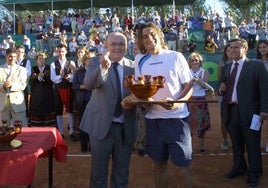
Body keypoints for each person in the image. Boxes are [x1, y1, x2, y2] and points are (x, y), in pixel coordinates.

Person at [133, 22, 193, 187]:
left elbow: (188, 87)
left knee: (181, 168)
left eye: (152, 34)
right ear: (141, 41)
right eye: (144, 36)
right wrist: (145, 102)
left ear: (159, 35)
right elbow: (141, 90)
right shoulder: (139, 59)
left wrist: (176, 103)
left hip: (177, 119)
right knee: (159, 165)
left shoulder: (175, 56)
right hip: (153, 120)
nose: (149, 38)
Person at [79, 32, 138, 187]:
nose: (117, 47)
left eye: (121, 44)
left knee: (122, 174)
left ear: (127, 47)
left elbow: (139, 93)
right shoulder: (94, 61)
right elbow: (88, 84)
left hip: (126, 127)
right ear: (106, 46)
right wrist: (103, 68)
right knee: (98, 174)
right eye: (113, 44)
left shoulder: (134, 66)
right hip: (100, 126)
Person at [218, 38, 268, 187]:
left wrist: (264, 110)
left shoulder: (256, 65)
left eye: (236, 47)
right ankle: (239, 167)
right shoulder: (226, 68)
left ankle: (254, 173)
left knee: (252, 144)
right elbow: (222, 88)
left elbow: (265, 91)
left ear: (245, 49)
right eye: (231, 47)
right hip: (231, 110)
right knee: (236, 143)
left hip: (251, 113)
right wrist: (221, 91)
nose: (232, 50)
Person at [50, 44, 78, 141]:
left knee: (70, 111)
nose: (61, 53)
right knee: (58, 111)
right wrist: (61, 76)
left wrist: (70, 77)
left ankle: (71, 132)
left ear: (66, 51)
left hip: (68, 88)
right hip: (58, 89)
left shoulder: (71, 62)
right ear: (57, 52)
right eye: (59, 51)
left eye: (62, 51)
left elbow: (75, 76)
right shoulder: (53, 64)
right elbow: (53, 78)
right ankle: (61, 132)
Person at [187, 52, 211, 154]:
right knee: (189, 124)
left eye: (196, 60)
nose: (194, 62)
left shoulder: (204, 72)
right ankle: (189, 148)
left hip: (201, 100)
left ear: (200, 62)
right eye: (192, 60)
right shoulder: (187, 72)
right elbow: (185, 86)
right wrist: (191, 82)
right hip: (190, 99)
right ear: (190, 62)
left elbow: (206, 86)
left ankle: (201, 147)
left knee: (202, 124)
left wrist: (198, 81)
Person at [72, 52, 95, 152]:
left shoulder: (96, 71)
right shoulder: (79, 72)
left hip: (94, 101)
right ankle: (84, 146)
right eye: (89, 59)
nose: (91, 61)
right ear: (85, 61)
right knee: (83, 123)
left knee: (93, 124)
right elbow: (74, 85)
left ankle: (93, 146)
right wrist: (83, 87)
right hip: (82, 101)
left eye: (92, 59)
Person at [0, 48, 27, 126]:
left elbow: (23, 85)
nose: (12, 58)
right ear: (6, 56)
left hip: (17, 103)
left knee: (20, 129)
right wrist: (3, 86)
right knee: (3, 129)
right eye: (10, 56)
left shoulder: (22, 70)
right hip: (2, 103)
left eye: (14, 57)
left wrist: (11, 85)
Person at [29, 52, 56, 126]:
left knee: (49, 119)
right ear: (37, 60)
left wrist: (45, 76)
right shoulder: (33, 68)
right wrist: (35, 77)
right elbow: (30, 83)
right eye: (40, 58)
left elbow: (51, 82)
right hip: (36, 97)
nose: (41, 60)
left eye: (43, 58)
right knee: (36, 122)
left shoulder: (49, 67)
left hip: (48, 96)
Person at [217, 44, 231, 151]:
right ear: (225, 52)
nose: (230, 51)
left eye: (233, 49)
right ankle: (225, 140)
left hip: (238, 96)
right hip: (224, 95)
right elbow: (220, 80)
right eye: (228, 50)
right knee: (224, 119)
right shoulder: (222, 63)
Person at [16, 45, 32, 119]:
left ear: (24, 53)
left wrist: (17, 74)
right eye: (18, 52)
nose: (20, 53)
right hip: (13, 88)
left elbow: (28, 73)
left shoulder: (26, 61)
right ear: (16, 52)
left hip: (23, 87)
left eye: (22, 52)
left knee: (24, 104)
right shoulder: (13, 61)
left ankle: (25, 123)